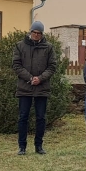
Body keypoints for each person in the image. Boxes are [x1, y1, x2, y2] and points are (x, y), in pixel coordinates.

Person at [12, 21, 57, 155]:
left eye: (39, 33)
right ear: (30, 32)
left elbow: (52, 66)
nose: (36, 35)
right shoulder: (20, 46)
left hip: (42, 87)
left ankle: (39, 146)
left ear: (42, 34)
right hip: (24, 87)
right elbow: (16, 65)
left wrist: (40, 78)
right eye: (34, 32)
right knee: (23, 117)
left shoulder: (48, 47)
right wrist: (30, 78)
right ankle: (22, 147)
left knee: (41, 118)